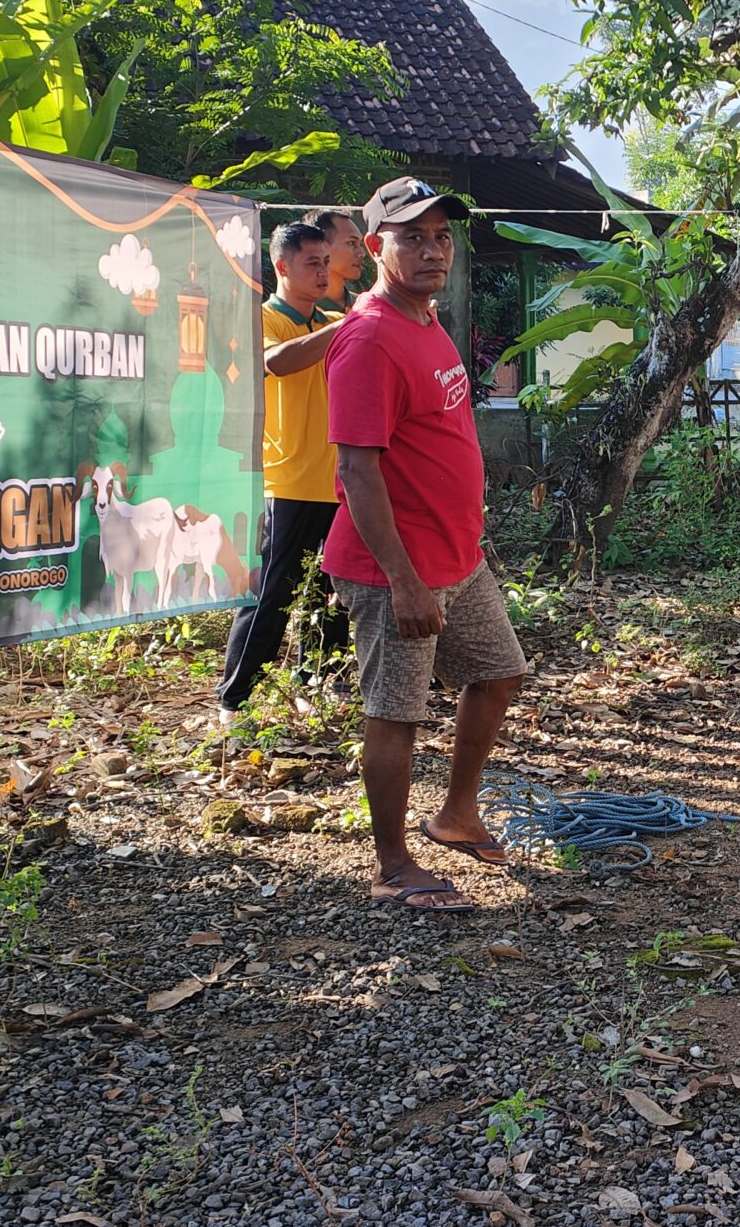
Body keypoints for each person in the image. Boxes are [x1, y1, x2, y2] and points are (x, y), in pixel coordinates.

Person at [325, 175, 529, 912]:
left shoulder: (425, 319)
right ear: (376, 245)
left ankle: (455, 815)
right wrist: (403, 580)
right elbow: (356, 468)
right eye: (411, 237)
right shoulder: (371, 337)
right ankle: (390, 865)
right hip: (395, 569)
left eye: (441, 236)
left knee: (499, 674)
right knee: (396, 713)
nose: (432, 250)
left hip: (455, 555)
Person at [216, 222, 350, 716]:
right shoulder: (264, 318)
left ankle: (320, 682)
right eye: (311, 263)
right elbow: (279, 363)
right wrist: (344, 326)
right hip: (288, 481)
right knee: (270, 594)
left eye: (324, 262)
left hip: (339, 482)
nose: (322, 271)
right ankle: (235, 702)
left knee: (333, 591)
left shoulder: (333, 318)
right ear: (281, 267)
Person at [305, 207, 363, 314]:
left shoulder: (364, 307)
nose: (362, 253)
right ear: (321, 247)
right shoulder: (299, 312)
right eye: (351, 243)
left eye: (360, 244)